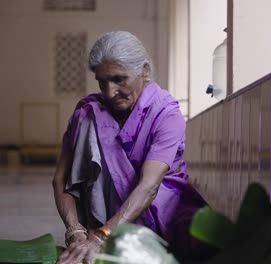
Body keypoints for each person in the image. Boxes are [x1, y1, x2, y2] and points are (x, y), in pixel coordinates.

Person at [53, 31, 206, 264]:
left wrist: (102, 236)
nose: (109, 92)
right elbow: (60, 180)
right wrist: (75, 232)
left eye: (118, 79)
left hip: (159, 215)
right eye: (102, 81)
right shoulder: (88, 113)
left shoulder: (165, 113)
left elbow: (149, 186)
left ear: (144, 71)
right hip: (97, 224)